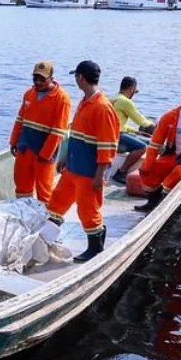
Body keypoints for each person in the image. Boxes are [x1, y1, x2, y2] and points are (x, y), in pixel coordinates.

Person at [45, 61, 120, 262]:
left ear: (80, 78)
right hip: (73, 167)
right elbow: (76, 135)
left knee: (87, 210)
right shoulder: (85, 102)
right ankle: (46, 238)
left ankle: (95, 248)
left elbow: (108, 145)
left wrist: (99, 175)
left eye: (76, 76)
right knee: (56, 202)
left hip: (89, 171)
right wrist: (65, 157)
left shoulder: (102, 107)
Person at [9, 61, 72, 203]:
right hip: (25, 147)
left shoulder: (62, 98)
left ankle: (45, 214)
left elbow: (58, 130)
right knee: (22, 186)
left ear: (51, 78)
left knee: (44, 189)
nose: (38, 82)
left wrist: (45, 154)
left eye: (42, 79)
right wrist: (14, 141)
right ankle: (24, 210)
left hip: (44, 152)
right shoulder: (29, 94)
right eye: (35, 78)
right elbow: (20, 119)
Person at [110, 76, 157, 184]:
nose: (134, 94)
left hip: (112, 133)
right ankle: (121, 172)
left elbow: (119, 123)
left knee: (147, 142)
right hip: (116, 137)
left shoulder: (113, 98)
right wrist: (155, 127)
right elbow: (140, 120)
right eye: (135, 91)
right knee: (142, 147)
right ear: (131, 88)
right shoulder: (125, 101)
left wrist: (136, 131)